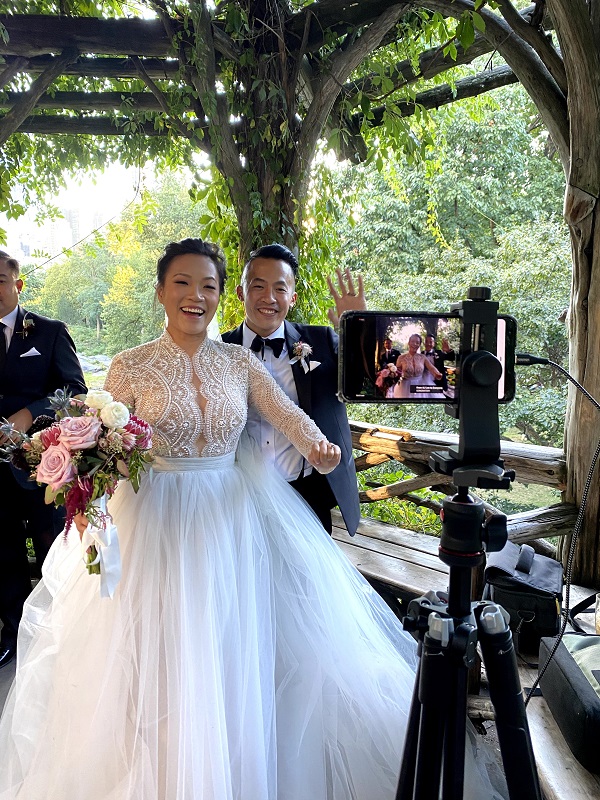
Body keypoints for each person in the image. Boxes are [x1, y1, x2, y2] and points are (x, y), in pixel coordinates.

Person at [0, 238, 504, 800]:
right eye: (183, 283)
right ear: (162, 290)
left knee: (225, 640)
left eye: (208, 286)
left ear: (221, 296)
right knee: (156, 642)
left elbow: (285, 411)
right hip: (154, 519)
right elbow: (105, 436)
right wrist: (84, 481)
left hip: (226, 517)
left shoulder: (238, 362)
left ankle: (223, 764)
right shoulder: (130, 365)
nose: (197, 296)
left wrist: (319, 447)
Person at [221, 244, 363, 535]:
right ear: (240, 292)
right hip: (237, 496)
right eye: (258, 286)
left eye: (280, 289)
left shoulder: (322, 340)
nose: (269, 298)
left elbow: (365, 384)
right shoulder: (218, 351)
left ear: (293, 298)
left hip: (308, 493)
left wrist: (361, 329)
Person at [0, 250, 86, 670]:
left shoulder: (49, 332)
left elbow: (75, 390)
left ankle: (60, 631)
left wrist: (31, 413)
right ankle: (14, 635)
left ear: (18, 285)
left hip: (42, 465)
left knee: (54, 546)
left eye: (0, 280)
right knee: (3, 554)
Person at [393, 333, 442, 399]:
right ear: (409, 343)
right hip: (404, 387)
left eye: (417, 342)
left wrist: (437, 374)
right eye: (412, 341)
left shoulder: (423, 357)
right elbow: (397, 372)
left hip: (420, 386)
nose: (415, 344)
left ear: (419, 345)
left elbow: (431, 367)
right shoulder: (401, 358)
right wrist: (391, 374)